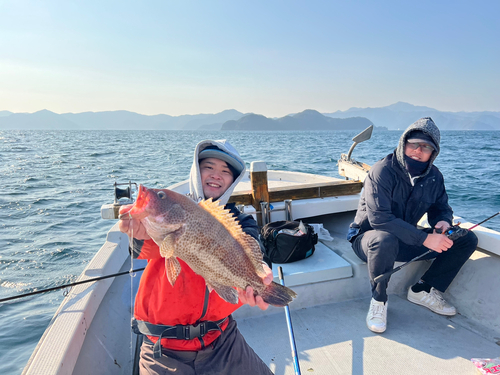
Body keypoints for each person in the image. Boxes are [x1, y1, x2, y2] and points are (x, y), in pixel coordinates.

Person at [119, 139, 274, 374]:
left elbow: (253, 247)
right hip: (162, 349)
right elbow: (144, 248)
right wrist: (137, 233)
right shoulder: (171, 213)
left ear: (233, 181)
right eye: (208, 167)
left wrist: (261, 272)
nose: (216, 175)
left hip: (222, 339)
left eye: (225, 171)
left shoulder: (239, 221)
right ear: (195, 170)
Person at [346, 117, 478, 334]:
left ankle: (422, 289)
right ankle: (379, 301)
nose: (418, 150)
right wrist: (425, 239)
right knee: (383, 238)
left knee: (466, 239)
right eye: (413, 144)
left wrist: (443, 223)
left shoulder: (434, 177)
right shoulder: (382, 171)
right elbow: (380, 219)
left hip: (405, 238)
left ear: (433, 152)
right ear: (403, 143)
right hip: (368, 239)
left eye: (426, 147)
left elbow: (441, 208)